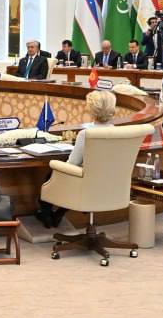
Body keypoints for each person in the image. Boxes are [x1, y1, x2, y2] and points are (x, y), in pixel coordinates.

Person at [36, 90, 117, 228]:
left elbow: (72, 164)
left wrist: (55, 164)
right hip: (111, 185)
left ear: (92, 111)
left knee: (51, 175)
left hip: (86, 185)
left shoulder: (86, 134)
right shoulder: (120, 132)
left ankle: (47, 215)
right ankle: (58, 214)